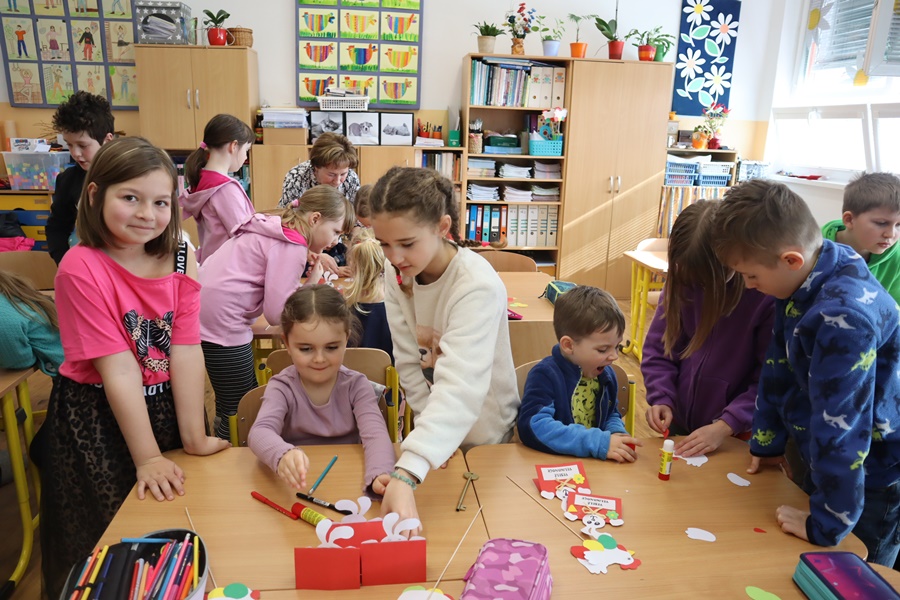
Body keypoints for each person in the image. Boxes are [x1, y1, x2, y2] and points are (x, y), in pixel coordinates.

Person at [40, 137, 230, 598]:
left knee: (177, 519)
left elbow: (185, 346)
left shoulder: (182, 251)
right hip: (97, 415)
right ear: (94, 195)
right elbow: (119, 370)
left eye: (161, 202)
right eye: (130, 198)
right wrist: (145, 457)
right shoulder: (80, 268)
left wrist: (193, 436)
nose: (148, 213)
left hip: (165, 403)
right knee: (108, 534)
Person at [712, 179, 900, 566]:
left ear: (791, 260)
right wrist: (766, 441)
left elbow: (844, 428)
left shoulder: (843, 316)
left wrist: (826, 524)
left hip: (876, 468)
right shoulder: (812, 269)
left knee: (859, 569)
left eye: (750, 276)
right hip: (830, 459)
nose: (749, 286)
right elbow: (779, 365)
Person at [369, 166, 519, 530]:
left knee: (481, 530)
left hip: (486, 437)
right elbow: (407, 361)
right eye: (384, 244)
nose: (394, 256)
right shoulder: (397, 272)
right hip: (435, 438)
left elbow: (460, 387)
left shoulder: (476, 285)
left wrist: (408, 472)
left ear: (442, 227)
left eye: (406, 244)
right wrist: (425, 446)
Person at [199, 185, 354, 440]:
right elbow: (277, 314)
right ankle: (229, 456)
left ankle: (232, 445)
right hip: (223, 322)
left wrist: (308, 278)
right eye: (335, 231)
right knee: (239, 406)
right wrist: (312, 284)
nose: (336, 241)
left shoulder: (276, 227)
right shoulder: (291, 245)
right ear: (315, 219)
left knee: (242, 396)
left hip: (209, 312)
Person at [642, 201, 774, 457]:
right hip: (682, 422)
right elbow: (660, 348)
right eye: (691, 280)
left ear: (732, 262)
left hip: (737, 433)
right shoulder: (683, 279)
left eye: (704, 282)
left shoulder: (764, 295)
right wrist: (661, 396)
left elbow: (769, 379)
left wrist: (727, 424)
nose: (696, 287)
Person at [248, 284, 397, 495]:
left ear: (346, 339)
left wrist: (380, 473)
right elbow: (260, 432)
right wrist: (282, 455)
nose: (319, 359)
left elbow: (376, 436)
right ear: (287, 344)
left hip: (349, 483)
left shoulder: (357, 386)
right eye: (306, 349)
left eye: (332, 347)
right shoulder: (282, 387)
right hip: (297, 485)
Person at [518, 285, 641, 461]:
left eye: (617, 346)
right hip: (555, 465)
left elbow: (610, 414)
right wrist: (598, 442)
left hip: (593, 466)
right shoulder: (545, 375)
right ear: (569, 345)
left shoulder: (606, 375)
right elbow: (534, 426)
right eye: (603, 349)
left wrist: (617, 435)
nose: (614, 356)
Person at [45, 91, 115, 265]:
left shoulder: (130, 174)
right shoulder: (68, 180)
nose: (75, 153)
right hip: (88, 267)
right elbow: (57, 227)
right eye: (69, 144)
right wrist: (64, 262)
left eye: (83, 145)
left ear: (107, 141)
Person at [279, 132, 361, 273]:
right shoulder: (296, 177)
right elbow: (288, 223)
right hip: (301, 243)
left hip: (334, 241)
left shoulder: (351, 179)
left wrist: (356, 248)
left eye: (343, 174)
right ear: (316, 167)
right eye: (331, 174)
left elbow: (355, 223)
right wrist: (312, 254)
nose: (337, 181)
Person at [180, 114, 255, 264]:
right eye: (246, 150)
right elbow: (243, 236)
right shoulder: (226, 189)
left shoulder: (202, 180)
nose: (245, 157)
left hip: (212, 264)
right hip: (229, 270)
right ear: (233, 146)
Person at [821, 172, 900, 304]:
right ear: (849, 220)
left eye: (899, 225)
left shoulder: (896, 257)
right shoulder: (815, 250)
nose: (891, 234)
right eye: (881, 223)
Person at [0, 271, 63, 376]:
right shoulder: (7, 291)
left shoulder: (2, 315)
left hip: (79, 378)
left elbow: (20, 361)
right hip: (83, 362)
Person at [343, 227, 392, 361]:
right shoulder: (398, 309)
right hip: (390, 380)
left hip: (350, 379)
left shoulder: (341, 309)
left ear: (351, 263)